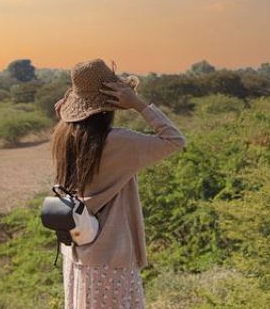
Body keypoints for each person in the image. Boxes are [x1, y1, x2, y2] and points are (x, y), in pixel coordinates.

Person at [51, 59, 186, 309]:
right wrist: (138, 104)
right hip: (109, 257)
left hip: (76, 249)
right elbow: (174, 140)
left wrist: (64, 119)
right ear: (111, 103)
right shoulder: (119, 142)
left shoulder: (63, 136)